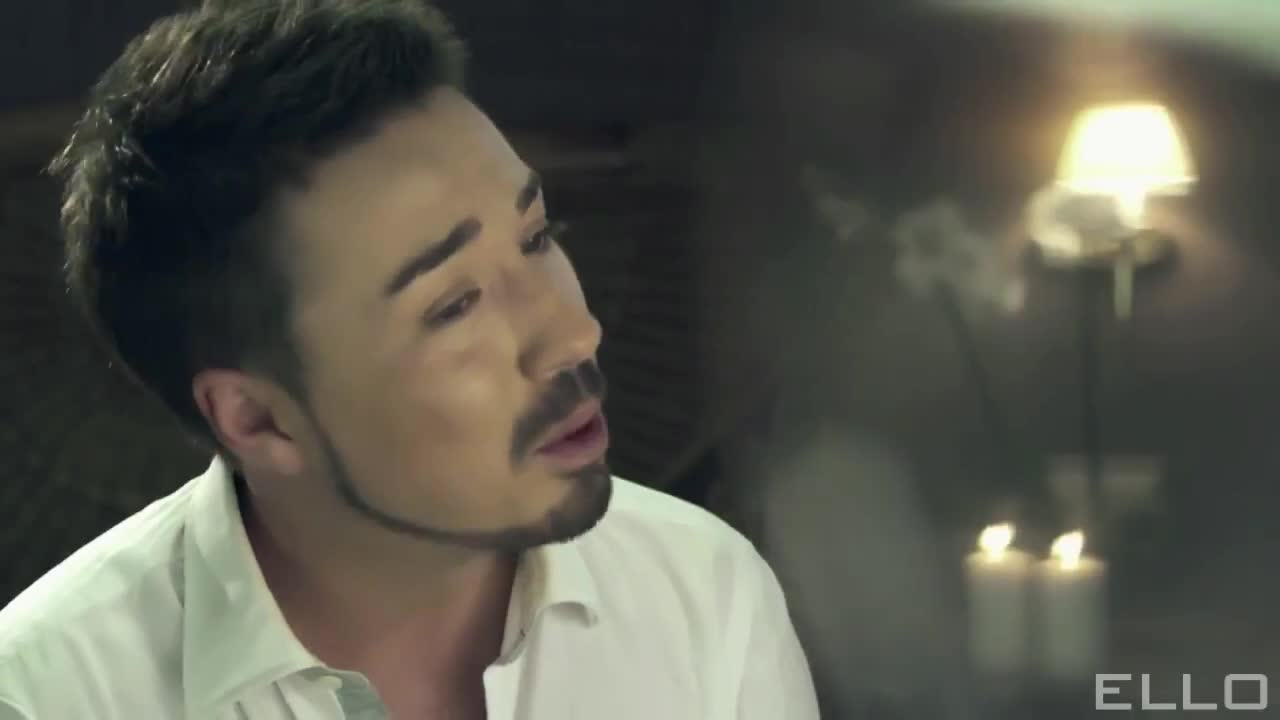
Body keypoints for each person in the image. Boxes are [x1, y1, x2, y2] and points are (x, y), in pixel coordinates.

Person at [0, 1, 817, 718]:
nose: (573, 335)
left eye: (537, 237)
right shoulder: (50, 695)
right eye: (454, 305)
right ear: (258, 418)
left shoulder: (702, 596)